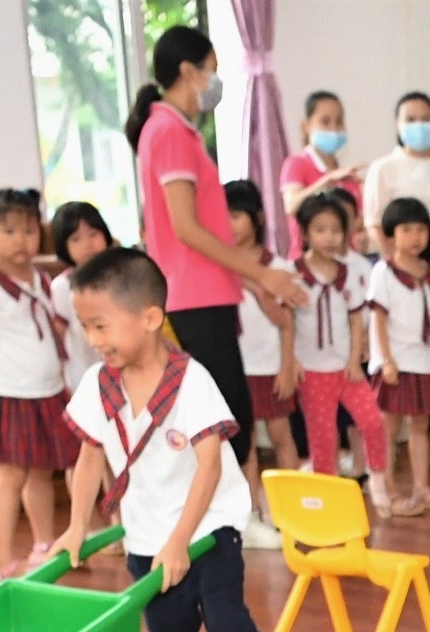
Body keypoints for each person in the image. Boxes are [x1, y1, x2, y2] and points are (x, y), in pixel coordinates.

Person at [53, 247, 317, 632]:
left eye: (102, 325)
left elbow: (210, 468)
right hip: (148, 537)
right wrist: (76, 528)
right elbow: (87, 461)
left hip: (209, 528)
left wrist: (182, 540)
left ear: (150, 319)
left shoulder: (190, 380)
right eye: (86, 327)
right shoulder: (98, 385)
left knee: (227, 620)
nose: (94, 340)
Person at [123, 23, 305, 550]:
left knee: (229, 413)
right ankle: (224, 519)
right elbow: (185, 228)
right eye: (212, 70)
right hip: (192, 296)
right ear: (189, 70)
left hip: (209, 294)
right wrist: (261, 272)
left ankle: (226, 517)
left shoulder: (176, 131)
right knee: (224, 416)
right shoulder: (169, 133)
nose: (215, 81)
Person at [0, 188, 78, 580]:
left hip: (44, 390)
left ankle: (43, 545)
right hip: (8, 395)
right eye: (8, 231)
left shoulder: (40, 278)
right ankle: (2, 558)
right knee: (11, 477)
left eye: (28, 230)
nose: (21, 240)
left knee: (41, 472)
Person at [290, 191, 391, 510]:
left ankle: (377, 480)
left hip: (346, 370)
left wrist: (353, 361)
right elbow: (286, 323)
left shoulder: (348, 272)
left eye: (336, 230)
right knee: (323, 438)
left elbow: (354, 320)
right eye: (321, 230)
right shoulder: (293, 273)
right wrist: (290, 361)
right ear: (305, 233)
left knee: (372, 422)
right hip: (312, 371)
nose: (330, 237)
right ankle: (327, 497)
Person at [370, 196, 430, 515]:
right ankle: (389, 491)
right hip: (397, 365)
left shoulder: (429, 273)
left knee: (420, 428)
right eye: (406, 230)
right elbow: (379, 319)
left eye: (420, 230)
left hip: (424, 363)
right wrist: (387, 359)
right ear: (391, 235)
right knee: (389, 429)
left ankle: (421, 488)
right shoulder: (384, 272)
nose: (415, 237)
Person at [225, 180, 300, 488]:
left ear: (256, 218)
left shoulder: (278, 267)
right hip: (237, 368)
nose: (228, 224)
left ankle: (294, 504)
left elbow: (287, 324)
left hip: (269, 366)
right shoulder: (218, 267)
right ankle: (251, 511)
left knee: (282, 435)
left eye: (235, 215)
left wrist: (286, 367)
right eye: (222, 216)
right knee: (247, 442)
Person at [362, 91, 430, 253]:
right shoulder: (382, 168)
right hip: (402, 256)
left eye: (426, 119)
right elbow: (373, 225)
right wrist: (397, 264)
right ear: (397, 124)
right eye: (410, 120)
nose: (419, 125)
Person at [279, 90, 365, 257]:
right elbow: (291, 205)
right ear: (306, 126)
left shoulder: (348, 176)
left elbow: (358, 224)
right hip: (306, 263)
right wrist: (328, 180)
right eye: (325, 122)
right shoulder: (297, 163)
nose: (334, 128)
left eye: (339, 121)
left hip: (346, 264)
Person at [47, 201, 116, 400]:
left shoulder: (120, 278)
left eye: (94, 234)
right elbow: (57, 338)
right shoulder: (62, 287)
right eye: (76, 239)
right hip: (82, 378)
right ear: (64, 246)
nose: (88, 244)